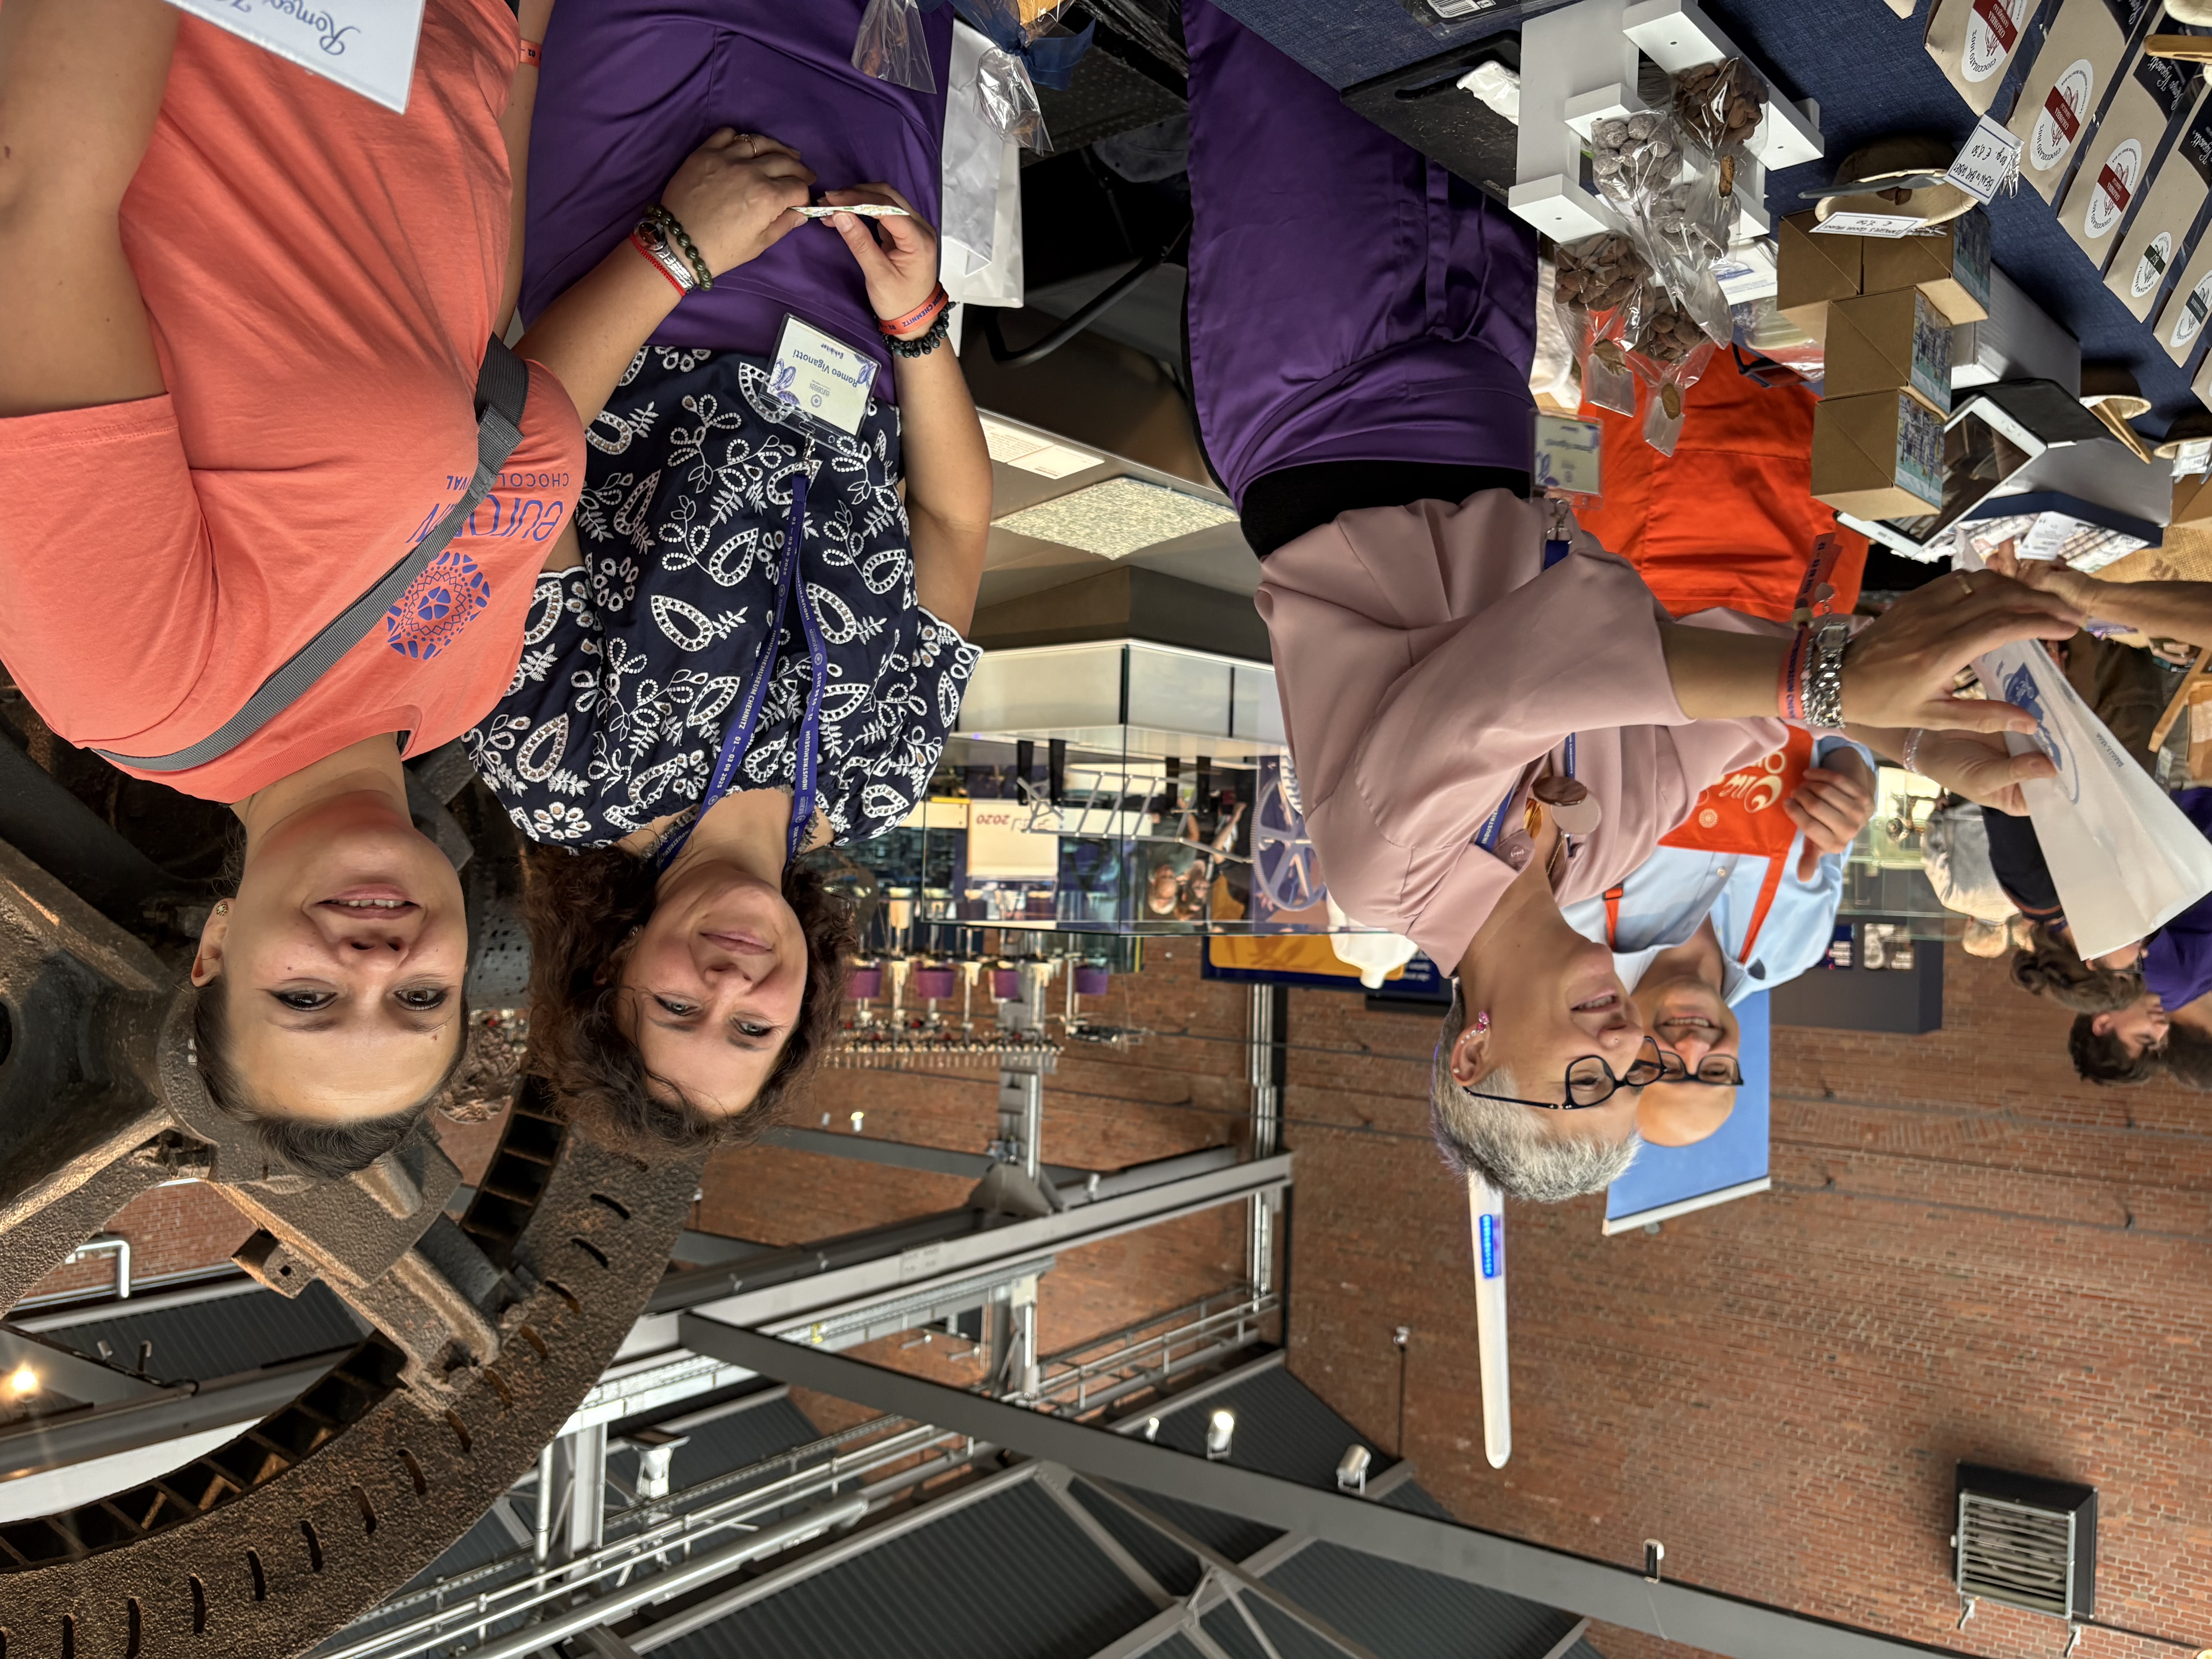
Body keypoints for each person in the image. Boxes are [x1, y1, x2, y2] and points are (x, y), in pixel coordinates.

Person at [1181, 0, 2083, 1203]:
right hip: (1480, 401)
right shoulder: (1600, 843)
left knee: (1289, 29)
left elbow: (1527, 671)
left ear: (1477, 1049)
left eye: (1585, 1083)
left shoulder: (1383, 871)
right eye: (1634, 1077)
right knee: (1440, 43)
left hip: (1323, 391)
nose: (1627, 1049)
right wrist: (1914, 731)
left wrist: (1824, 681)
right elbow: (1743, 714)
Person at [0, 0, 606, 1175]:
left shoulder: (138, 684)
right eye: (421, 1002)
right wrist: (522, 41)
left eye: (309, 1002)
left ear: (217, 949)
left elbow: (39, 206)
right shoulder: (467, 691)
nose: (374, 967)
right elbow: (480, 324)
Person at [466, 0, 991, 1150]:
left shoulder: (559, 771)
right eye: (751, 1030)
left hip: (656, 193)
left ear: (609, 967)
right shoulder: (882, 775)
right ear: (804, 1011)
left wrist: (677, 246)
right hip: (866, 250)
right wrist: (917, 327)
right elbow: (951, 523)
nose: (729, 984)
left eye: (676, 1009)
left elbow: (516, 444)